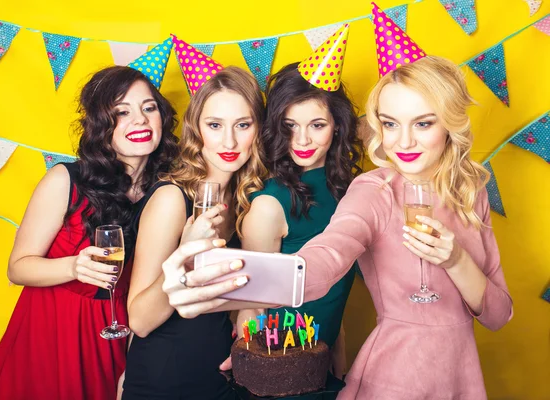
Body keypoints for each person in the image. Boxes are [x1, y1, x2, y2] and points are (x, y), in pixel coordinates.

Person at [157, 55, 514, 399]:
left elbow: (498, 316)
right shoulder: (373, 191)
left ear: (450, 122)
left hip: (462, 375)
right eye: (390, 124)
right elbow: (327, 256)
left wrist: (455, 261)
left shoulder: (472, 191)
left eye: (423, 123)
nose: (402, 142)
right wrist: (211, 287)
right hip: (395, 376)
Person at [0, 65, 179, 400]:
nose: (140, 120)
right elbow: (18, 267)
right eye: (122, 111)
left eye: (148, 107)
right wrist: (73, 267)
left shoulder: (167, 194)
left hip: (117, 338)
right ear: (101, 125)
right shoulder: (65, 180)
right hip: (51, 335)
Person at [122, 63, 267, 400]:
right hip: (166, 379)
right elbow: (140, 320)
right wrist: (185, 256)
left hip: (222, 378)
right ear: (196, 130)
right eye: (215, 125)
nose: (229, 140)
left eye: (242, 125)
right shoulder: (172, 198)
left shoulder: (249, 200)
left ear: (258, 130)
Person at [240, 60, 363, 380]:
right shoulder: (269, 206)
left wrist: (338, 352)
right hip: (281, 364)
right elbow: (250, 306)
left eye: (317, 125)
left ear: (337, 124)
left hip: (325, 358)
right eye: (290, 125)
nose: (303, 140)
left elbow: (333, 285)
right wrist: (260, 376)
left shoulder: (349, 189)